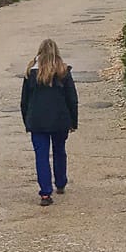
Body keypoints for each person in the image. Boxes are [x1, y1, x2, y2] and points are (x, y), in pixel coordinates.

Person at [19, 38, 79, 207]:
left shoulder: (31, 73)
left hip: (37, 121)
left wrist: (27, 121)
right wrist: (73, 121)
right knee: (59, 151)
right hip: (60, 120)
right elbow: (72, 99)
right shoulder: (63, 71)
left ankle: (45, 193)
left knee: (41, 156)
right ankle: (60, 182)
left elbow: (24, 101)